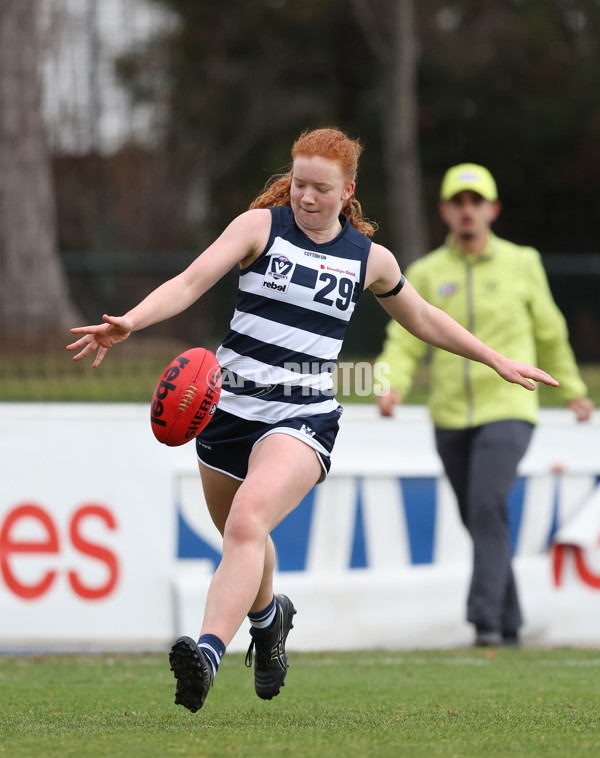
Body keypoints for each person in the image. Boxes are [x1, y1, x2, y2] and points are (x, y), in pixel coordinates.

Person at [67, 134, 558, 712]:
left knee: (248, 522)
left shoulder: (369, 259)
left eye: (321, 188)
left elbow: (423, 318)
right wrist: (130, 321)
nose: (305, 197)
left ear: (347, 190)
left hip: (301, 417)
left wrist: (496, 358)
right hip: (226, 413)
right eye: (299, 184)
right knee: (245, 538)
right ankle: (270, 620)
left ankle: (205, 654)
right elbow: (190, 282)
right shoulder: (258, 228)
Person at [376, 163, 593, 648]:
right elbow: (404, 339)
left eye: (476, 201)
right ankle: (510, 619)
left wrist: (574, 388)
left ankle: (484, 620)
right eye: (458, 201)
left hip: (510, 407)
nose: (467, 210)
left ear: (492, 209)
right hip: (449, 415)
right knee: (480, 517)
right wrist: (390, 383)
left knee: (486, 503)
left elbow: (550, 330)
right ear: (445, 212)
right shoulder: (428, 272)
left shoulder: (522, 262)